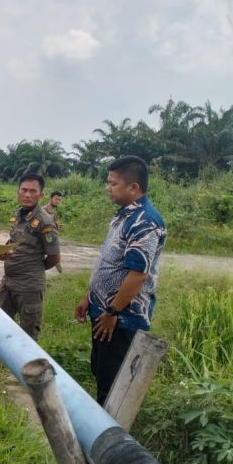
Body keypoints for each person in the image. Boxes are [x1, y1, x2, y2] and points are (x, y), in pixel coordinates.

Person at [75, 156, 166, 405]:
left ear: (133, 188)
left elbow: (138, 274)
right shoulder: (123, 217)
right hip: (104, 311)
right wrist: (89, 297)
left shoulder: (145, 222)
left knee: (114, 382)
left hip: (121, 319)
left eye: (113, 183)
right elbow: (109, 263)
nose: (108, 187)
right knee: (101, 369)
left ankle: (109, 435)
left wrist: (113, 311)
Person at [0, 173, 60, 341]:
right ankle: (4, 360)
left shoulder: (45, 222)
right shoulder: (18, 214)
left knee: (28, 334)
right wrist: (3, 254)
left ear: (41, 195)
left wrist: (33, 268)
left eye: (33, 191)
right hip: (8, 282)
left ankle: (23, 366)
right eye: (24, 190)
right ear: (18, 192)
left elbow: (54, 258)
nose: (27, 195)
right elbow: (15, 242)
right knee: (0, 325)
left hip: (29, 287)